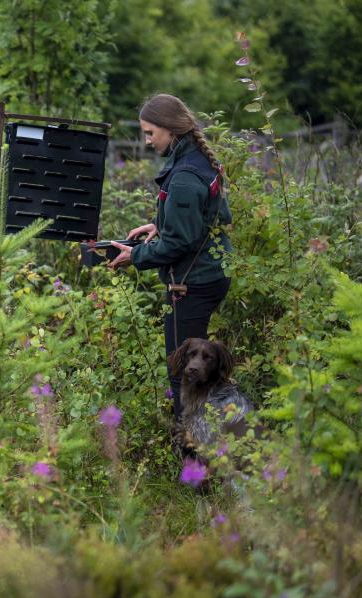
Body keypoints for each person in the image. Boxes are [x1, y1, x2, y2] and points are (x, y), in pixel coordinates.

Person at [107, 93, 233, 422]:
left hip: (194, 283)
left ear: (170, 129)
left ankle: (192, 451)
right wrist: (160, 224)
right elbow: (208, 218)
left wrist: (136, 256)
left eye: (150, 133)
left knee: (183, 374)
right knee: (192, 371)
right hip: (209, 274)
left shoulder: (184, 177)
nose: (147, 141)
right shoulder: (196, 162)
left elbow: (179, 243)